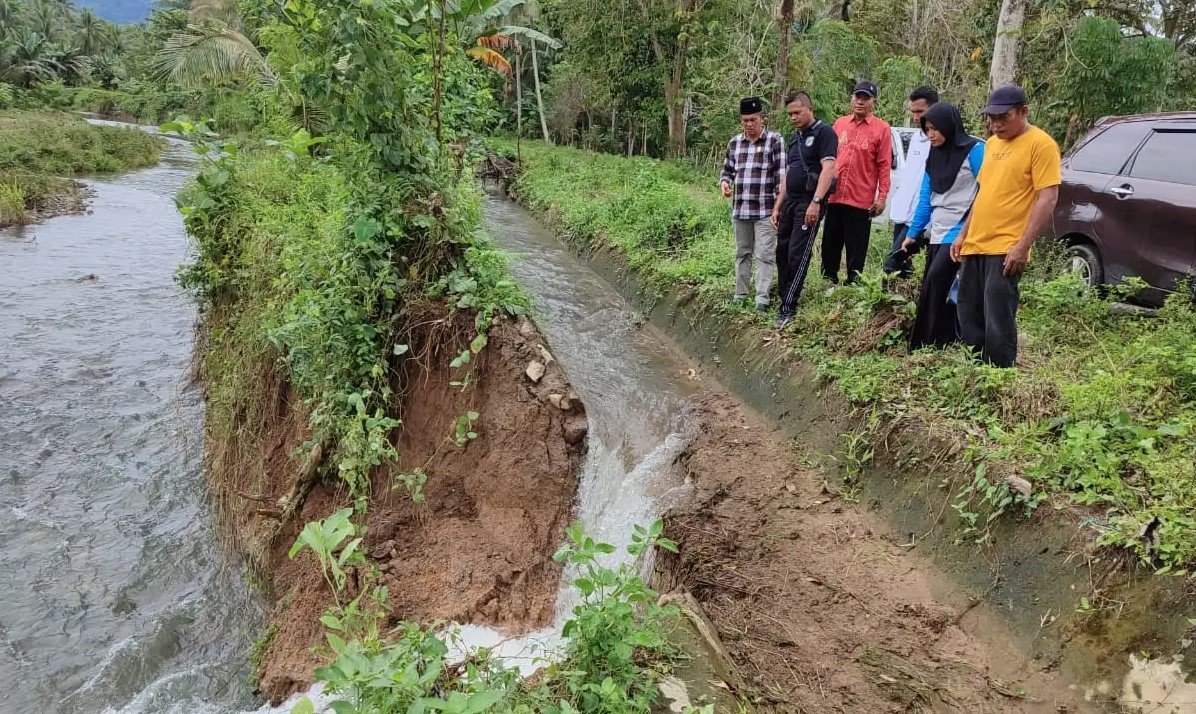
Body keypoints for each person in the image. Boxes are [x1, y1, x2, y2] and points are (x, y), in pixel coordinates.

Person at [950, 84, 1060, 368]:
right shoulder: (992, 145)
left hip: (1006, 246)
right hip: (976, 242)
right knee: (968, 311)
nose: (996, 124)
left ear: (1024, 112)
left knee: (997, 314)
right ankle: (974, 369)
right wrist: (963, 234)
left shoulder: (1041, 144)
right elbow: (983, 192)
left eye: (1004, 117)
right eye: (991, 118)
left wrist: (1023, 246)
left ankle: (998, 374)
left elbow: (1047, 198)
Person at [898, 102, 984, 349]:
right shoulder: (934, 154)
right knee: (934, 286)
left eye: (935, 128)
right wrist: (913, 233)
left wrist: (971, 228)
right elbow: (927, 196)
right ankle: (939, 341)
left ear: (949, 125)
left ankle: (927, 343)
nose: (930, 134)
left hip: (961, 229)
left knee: (936, 283)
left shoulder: (975, 151)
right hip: (938, 230)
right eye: (927, 129)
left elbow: (987, 189)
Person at [771, 90, 838, 329]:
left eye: (797, 112)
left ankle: (788, 307)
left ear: (809, 109)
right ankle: (783, 297)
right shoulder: (794, 137)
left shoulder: (825, 133)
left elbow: (828, 169)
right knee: (782, 250)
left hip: (810, 202)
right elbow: (789, 173)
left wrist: (817, 202)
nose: (793, 117)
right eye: (790, 114)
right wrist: (778, 205)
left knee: (797, 253)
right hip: (791, 201)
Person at [720, 96, 786, 311]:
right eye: (745, 120)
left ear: (761, 118)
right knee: (742, 253)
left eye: (753, 120)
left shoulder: (774, 141)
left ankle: (762, 298)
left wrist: (778, 207)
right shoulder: (734, 143)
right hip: (741, 209)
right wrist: (725, 183)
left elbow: (780, 177)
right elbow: (727, 171)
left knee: (765, 254)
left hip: (765, 210)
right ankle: (740, 294)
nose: (749, 124)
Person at [823, 81, 892, 286]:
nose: (860, 102)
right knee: (831, 242)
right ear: (851, 99)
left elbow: (884, 165)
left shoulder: (881, 129)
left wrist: (881, 198)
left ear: (873, 102)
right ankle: (829, 279)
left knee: (857, 244)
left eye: (865, 98)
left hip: (860, 198)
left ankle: (853, 283)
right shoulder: (840, 124)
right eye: (857, 97)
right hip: (835, 195)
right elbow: (829, 158)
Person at [883, 85, 939, 277]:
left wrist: (924, 222)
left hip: (921, 216)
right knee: (903, 267)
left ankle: (883, 303)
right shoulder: (916, 138)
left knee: (890, 266)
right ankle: (902, 303)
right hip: (904, 213)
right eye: (913, 112)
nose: (916, 117)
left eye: (920, 112)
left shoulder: (939, 142)